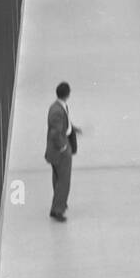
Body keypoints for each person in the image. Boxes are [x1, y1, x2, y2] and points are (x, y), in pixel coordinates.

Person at [44, 81, 79, 222]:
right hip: (60, 151)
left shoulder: (58, 107)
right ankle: (57, 209)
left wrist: (73, 129)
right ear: (68, 94)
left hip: (58, 150)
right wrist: (63, 147)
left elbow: (64, 123)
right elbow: (55, 132)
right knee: (63, 181)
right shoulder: (57, 111)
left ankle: (59, 202)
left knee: (58, 179)